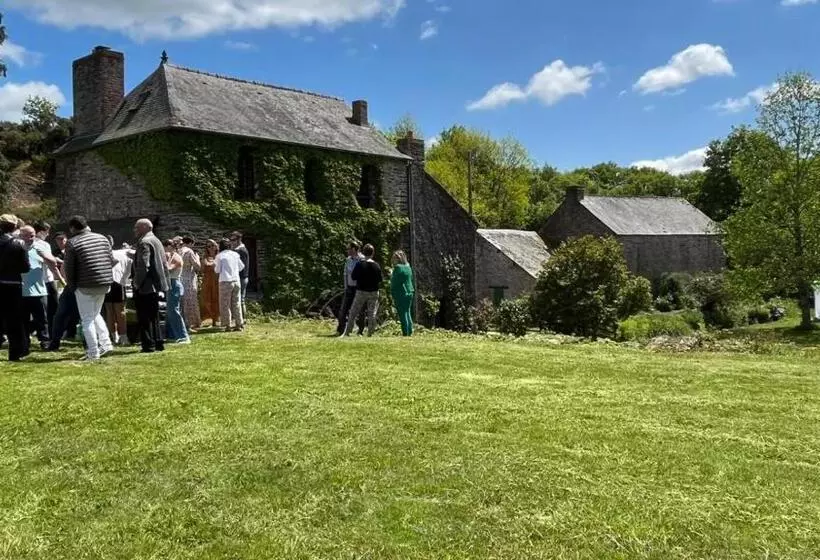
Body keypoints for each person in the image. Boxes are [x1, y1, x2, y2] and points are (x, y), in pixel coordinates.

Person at [62, 216, 115, 362]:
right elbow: (111, 260)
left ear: (72, 228)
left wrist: (71, 285)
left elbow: (69, 267)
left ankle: (93, 352)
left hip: (85, 285)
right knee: (95, 314)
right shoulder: (102, 238)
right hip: (104, 282)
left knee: (87, 319)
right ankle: (106, 344)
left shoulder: (72, 242)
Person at [133, 219, 170, 353]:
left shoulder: (144, 242)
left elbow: (144, 265)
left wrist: (137, 282)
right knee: (154, 316)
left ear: (144, 227)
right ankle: (158, 342)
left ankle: (148, 344)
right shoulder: (156, 240)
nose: (135, 230)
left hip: (146, 285)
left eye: (137, 227)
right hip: (157, 284)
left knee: (144, 316)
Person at [0, 214, 31, 361]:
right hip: (13, 283)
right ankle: (16, 352)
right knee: (14, 319)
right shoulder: (19, 243)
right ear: (14, 226)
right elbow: (26, 267)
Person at [19, 226, 53, 350]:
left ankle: (44, 340)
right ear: (21, 236)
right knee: (23, 319)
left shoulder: (41, 247)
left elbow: (53, 262)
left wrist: (44, 256)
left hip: (39, 289)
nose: (30, 238)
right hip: (22, 290)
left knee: (42, 318)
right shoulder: (17, 249)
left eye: (32, 235)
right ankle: (25, 342)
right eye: (26, 235)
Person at [343, 244, 383, 337]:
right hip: (374, 292)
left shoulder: (360, 264)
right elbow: (380, 279)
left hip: (361, 291)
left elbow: (353, 276)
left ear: (363, 253)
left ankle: (348, 332)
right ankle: (370, 332)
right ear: (373, 253)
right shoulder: (376, 265)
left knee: (353, 312)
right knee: (371, 313)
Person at [104, 235, 133, 346]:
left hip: (111, 282)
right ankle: (120, 336)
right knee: (117, 310)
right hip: (116, 282)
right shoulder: (122, 253)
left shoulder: (120, 253)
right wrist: (124, 280)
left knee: (112, 311)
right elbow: (128, 269)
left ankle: (117, 336)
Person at [34, 221, 62, 330]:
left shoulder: (26, 243)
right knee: (53, 307)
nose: (48, 234)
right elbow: (51, 263)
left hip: (35, 281)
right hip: (47, 280)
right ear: (40, 232)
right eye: (46, 232)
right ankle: (52, 330)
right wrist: (60, 278)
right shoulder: (44, 244)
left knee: (40, 309)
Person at [214, 238, 244, 332]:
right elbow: (241, 267)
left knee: (225, 304)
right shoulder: (235, 254)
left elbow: (217, 270)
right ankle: (239, 323)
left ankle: (227, 325)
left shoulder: (220, 256)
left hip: (225, 281)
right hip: (236, 280)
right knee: (236, 303)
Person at [164, 239, 190, 344]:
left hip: (174, 284)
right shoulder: (169, 256)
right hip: (169, 284)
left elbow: (169, 269)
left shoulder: (177, 258)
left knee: (174, 311)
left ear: (171, 247)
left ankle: (183, 336)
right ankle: (172, 335)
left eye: (166, 245)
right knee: (170, 311)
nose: (164, 248)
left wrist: (163, 260)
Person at [336, 241, 365, 336]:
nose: (347, 251)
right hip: (349, 288)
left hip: (359, 288)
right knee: (343, 309)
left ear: (353, 249)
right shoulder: (348, 260)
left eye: (348, 249)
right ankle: (341, 330)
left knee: (360, 310)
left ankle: (360, 330)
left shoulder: (362, 259)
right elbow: (345, 274)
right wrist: (346, 287)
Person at [390, 250, 415, 337]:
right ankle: (410, 332)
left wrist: (391, 275)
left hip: (401, 293)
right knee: (407, 312)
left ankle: (405, 333)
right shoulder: (408, 267)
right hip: (410, 291)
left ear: (398, 259)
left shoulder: (398, 268)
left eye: (394, 258)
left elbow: (394, 282)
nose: (392, 260)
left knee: (402, 314)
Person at [179, 236, 201, 331]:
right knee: (191, 301)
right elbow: (197, 266)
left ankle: (183, 322)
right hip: (189, 279)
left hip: (180, 278)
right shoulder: (189, 252)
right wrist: (197, 258)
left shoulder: (178, 251)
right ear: (191, 243)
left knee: (182, 302)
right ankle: (191, 323)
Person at [200, 239, 220, 328]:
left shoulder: (219, 256)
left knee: (216, 299)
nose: (211, 248)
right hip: (207, 281)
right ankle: (208, 319)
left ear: (216, 246)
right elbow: (202, 270)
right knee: (206, 300)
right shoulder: (205, 257)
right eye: (208, 246)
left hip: (217, 280)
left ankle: (216, 319)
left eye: (212, 245)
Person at [230, 231, 250, 318]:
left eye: (233, 240)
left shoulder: (241, 250)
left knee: (240, 299)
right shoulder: (238, 250)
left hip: (241, 277)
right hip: (241, 277)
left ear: (239, 239)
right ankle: (239, 318)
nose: (231, 242)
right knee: (238, 299)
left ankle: (242, 318)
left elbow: (241, 267)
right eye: (231, 240)